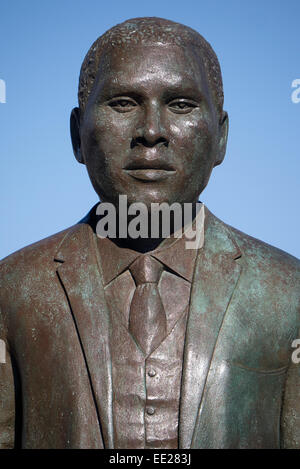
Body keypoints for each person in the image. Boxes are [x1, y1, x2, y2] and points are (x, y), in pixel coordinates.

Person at [0, 17, 299, 449]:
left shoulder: (289, 293)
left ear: (221, 138)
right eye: (123, 103)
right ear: (76, 136)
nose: (151, 132)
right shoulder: (11, 290)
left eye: (180, 104)